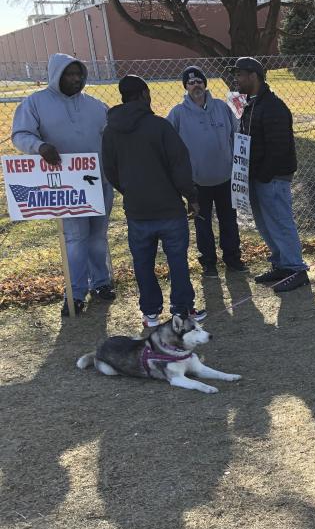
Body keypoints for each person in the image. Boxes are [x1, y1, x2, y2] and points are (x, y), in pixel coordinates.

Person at [11, 53, 113, 316]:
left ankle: (101, 283)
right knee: (77, 239)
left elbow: (112, 136)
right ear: (57, 75)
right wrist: (39, 146)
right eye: (70, 74)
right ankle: (76, 293)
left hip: (99, 181)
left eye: (79, 74)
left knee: (98, 238)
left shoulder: (96, 105)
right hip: (66, 187)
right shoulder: (35, 103)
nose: (76, 79)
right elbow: (20, 135)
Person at [100, 75, 206, 327]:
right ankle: (182, 309)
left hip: (137, 210)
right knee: (177, 259)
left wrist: (129, 190)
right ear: (145, 94)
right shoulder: (159, 127)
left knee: (143, 263)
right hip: (169, 208)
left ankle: (150, 312)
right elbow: (180, 166)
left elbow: (110, 170)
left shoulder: (111, 131)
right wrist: (191, 196)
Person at [233, 57, 309, 292]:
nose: (237, 79)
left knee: (280, 222)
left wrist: (263, 175)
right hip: (256, 176)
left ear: (253, 76)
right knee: (265, 224)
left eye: (240, 75)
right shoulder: (250, 104)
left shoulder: (273, 107)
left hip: (272, 178)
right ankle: (281, 264)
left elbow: (278, 147)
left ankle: (296, 269)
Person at [167, 66, 247, 278]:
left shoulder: (222, 107)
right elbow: (169, 145)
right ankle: (208, 263)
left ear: (205, 84)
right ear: (186, 87)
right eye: (191, 83)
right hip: (197, 182)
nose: (196, 86)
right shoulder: (177, 113)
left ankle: (233, 259)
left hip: (225, 178)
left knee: (229, 220)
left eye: (199, 81)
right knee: (203, 224)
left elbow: (236, 135)